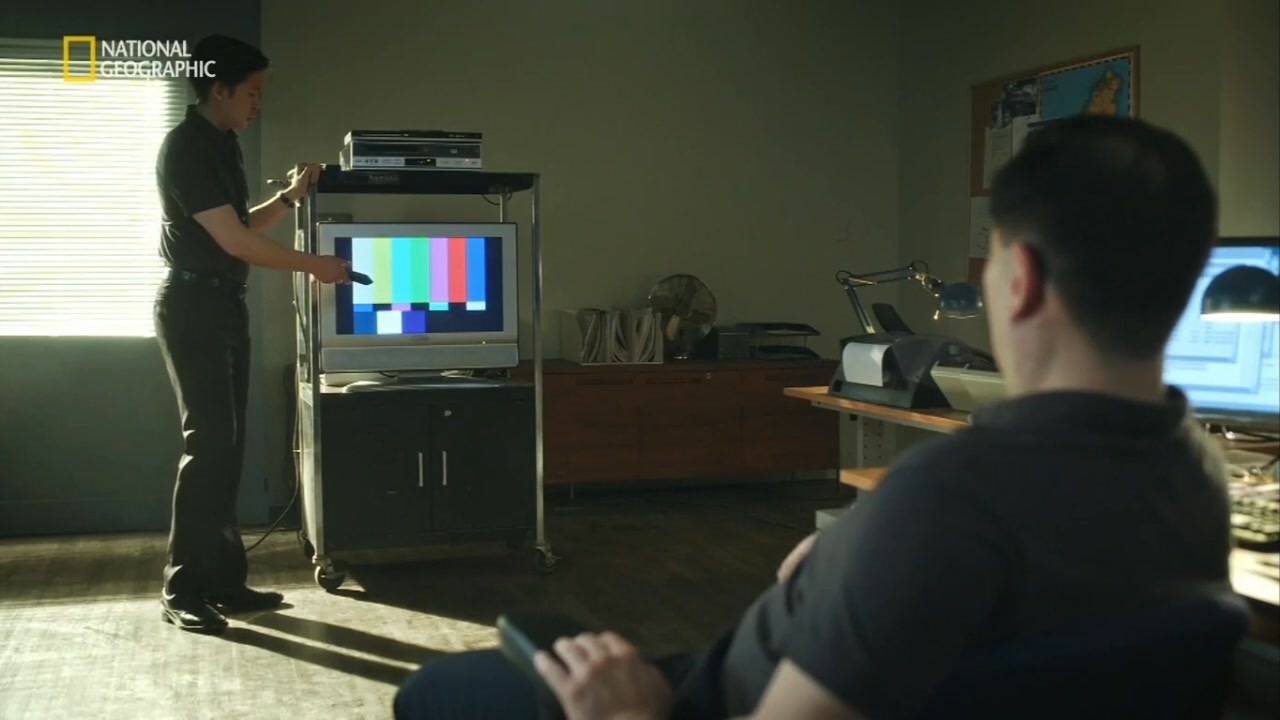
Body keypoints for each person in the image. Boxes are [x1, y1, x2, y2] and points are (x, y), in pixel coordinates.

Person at [392, 113, 1233, 719]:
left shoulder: (946, 499)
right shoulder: (1197, 475)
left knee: (439, 692)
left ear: (1022, 283)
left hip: (709, 699)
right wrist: (859, 557)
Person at [155, 34, 350, 633]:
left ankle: (223, 583)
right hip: (193, 305)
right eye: (253, 93)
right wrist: (316, 265)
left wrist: (289, 198)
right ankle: (183, 589)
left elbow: (240, 224)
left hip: (222, 304)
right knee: (208, 446)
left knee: (228, 448)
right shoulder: (187, 148)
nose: (259, 104)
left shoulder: (222, 144)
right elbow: (236, 242)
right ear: (220, 90)